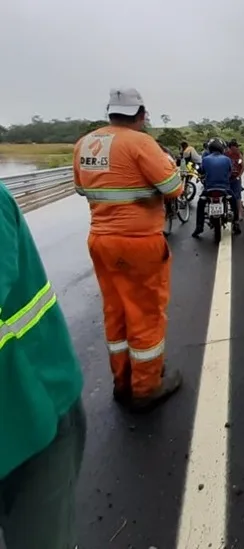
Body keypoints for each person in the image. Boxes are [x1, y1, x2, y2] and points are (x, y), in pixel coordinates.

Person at [73, 87, 184, 412]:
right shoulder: (140, 143)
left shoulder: (84, 144)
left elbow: (81, 188)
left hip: (100, 240)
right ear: (140, 113)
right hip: (138, 243)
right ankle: (147, 386)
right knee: (146, 313)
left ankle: (122, 382)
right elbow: (174, 189)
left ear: (110, 111)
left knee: (116, 311)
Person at [0, 180, 86, 549]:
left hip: (31, 413)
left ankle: (135, 382)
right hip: (30, 412)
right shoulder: (150, 151)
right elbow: (171, 185)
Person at [193, 138, 241, 237]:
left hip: (209, 189)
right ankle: (236, 223)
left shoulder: (205, 159)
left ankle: (199, 227)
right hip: (225, 189)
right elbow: (230, 171)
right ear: (222, 149)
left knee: (200, 205)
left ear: (210, 148)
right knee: (234, 202)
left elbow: (201, 171)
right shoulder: (227, 159)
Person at [225, 138, 244, 222]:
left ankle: (239, 214)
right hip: (227, 179)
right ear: (231, 147)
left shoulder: (239, 155)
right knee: (226, 194)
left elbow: (242, 167)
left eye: (237, 147)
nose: (237, 148)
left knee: (238, 196)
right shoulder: (225, 155)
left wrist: (238, 176)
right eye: (236, 147)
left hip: (236, 178)